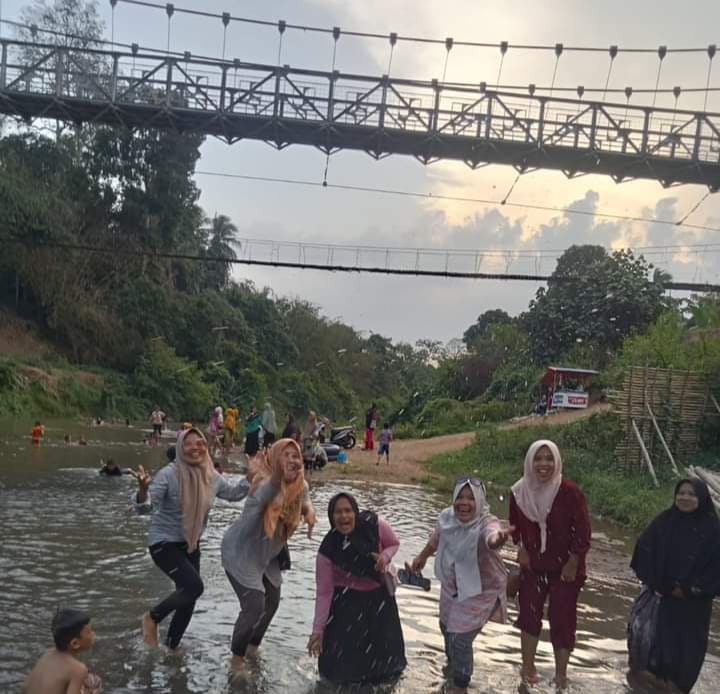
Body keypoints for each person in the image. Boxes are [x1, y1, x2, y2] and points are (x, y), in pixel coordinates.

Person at [133, 427, 250, 650]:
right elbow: (145, 508)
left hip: (191, 544)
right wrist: (141, 490)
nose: (195, 448)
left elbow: (234, 494)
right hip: (163, 544)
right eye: (189, 443)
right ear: (180, 447)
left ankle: (171, 647)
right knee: (194, 586)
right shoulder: (169, 474)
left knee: (188, 598)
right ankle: (152, 618)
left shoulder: (211, 476)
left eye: (200, 443)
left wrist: (250, 477)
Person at [221, 439, 316, 675]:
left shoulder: (300, 485)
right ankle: (236, 661)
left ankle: (252, 647)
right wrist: (271, 474)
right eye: (286, 455)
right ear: (274, 460)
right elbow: (274, 488)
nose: (293, 460)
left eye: (296, 456)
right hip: (241, 553)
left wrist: (310, 514)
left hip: (267, 554)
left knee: (272, 601)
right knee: (254, 604)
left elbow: (305, 501)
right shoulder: (262, 486)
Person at [410, 478, 512, 691]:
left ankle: (460, 683)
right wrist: (422, 557)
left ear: (480, 501)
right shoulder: (447, 517)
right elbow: (436, 539)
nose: (464, 503)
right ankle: (452, 665)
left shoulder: (486, 522)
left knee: (460, 638)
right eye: (460, 497)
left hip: (480, 590)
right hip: (453, 586)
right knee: (445, 627)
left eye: (470, 498)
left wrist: (498, 540)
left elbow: (490, 537)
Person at [509, 439, 591, 689]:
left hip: (566, 568)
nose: (543, 464)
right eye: (538, 458)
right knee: (529, 614)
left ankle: (561, 674)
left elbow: (583, 530)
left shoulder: (569, 492)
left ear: (556, 462)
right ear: (529, 461)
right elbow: (515, 525)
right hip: (533, 566)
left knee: (562, 619)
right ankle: (527, 668)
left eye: (548, 459)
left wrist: (574, 560)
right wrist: (521, 547)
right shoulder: (519, 492)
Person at [629, 478, 720, 693]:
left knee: (685, 654)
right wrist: (659, 584)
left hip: (694, 608)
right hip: (662, 600)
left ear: (702, 498)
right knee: (653, 651)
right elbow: (643, 550)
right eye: (681, 493)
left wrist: (690, 589)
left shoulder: (714, 531)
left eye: (691, 494)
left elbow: (716, 570)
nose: (685, 498)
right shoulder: (664, 521)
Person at [308, 492, 406, 685]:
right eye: (338, 512)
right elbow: (324, 593)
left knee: (387, 664)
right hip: (346, 604)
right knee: (338, 672)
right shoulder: (328, 550)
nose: (344, 517)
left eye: (348, 511)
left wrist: (384, 558)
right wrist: (318, 631)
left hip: (379, 600)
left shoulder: (374, 525)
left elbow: (393, 543)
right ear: (331, 517)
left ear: (356, 512)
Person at [23, 608, 101, 694]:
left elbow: (26, 686)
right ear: (75, 643)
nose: (93, 634)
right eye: (89, 632)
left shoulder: (48, 654)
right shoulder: (79, 669)